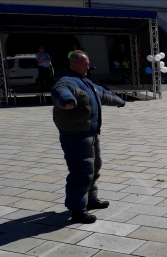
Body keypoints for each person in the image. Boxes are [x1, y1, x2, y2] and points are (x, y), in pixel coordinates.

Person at [51, 50, 126, 224]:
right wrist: (66, 100)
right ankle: (77, 209)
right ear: (74, 65)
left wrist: (119, 101)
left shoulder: (86, 82)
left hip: (91, 133)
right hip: (76, 136)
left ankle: (90, 200)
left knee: (94, 167)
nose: (88, 67)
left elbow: (102, 94)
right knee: (81, 171)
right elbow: (60, 91)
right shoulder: (68, 81)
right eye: (85, 64)